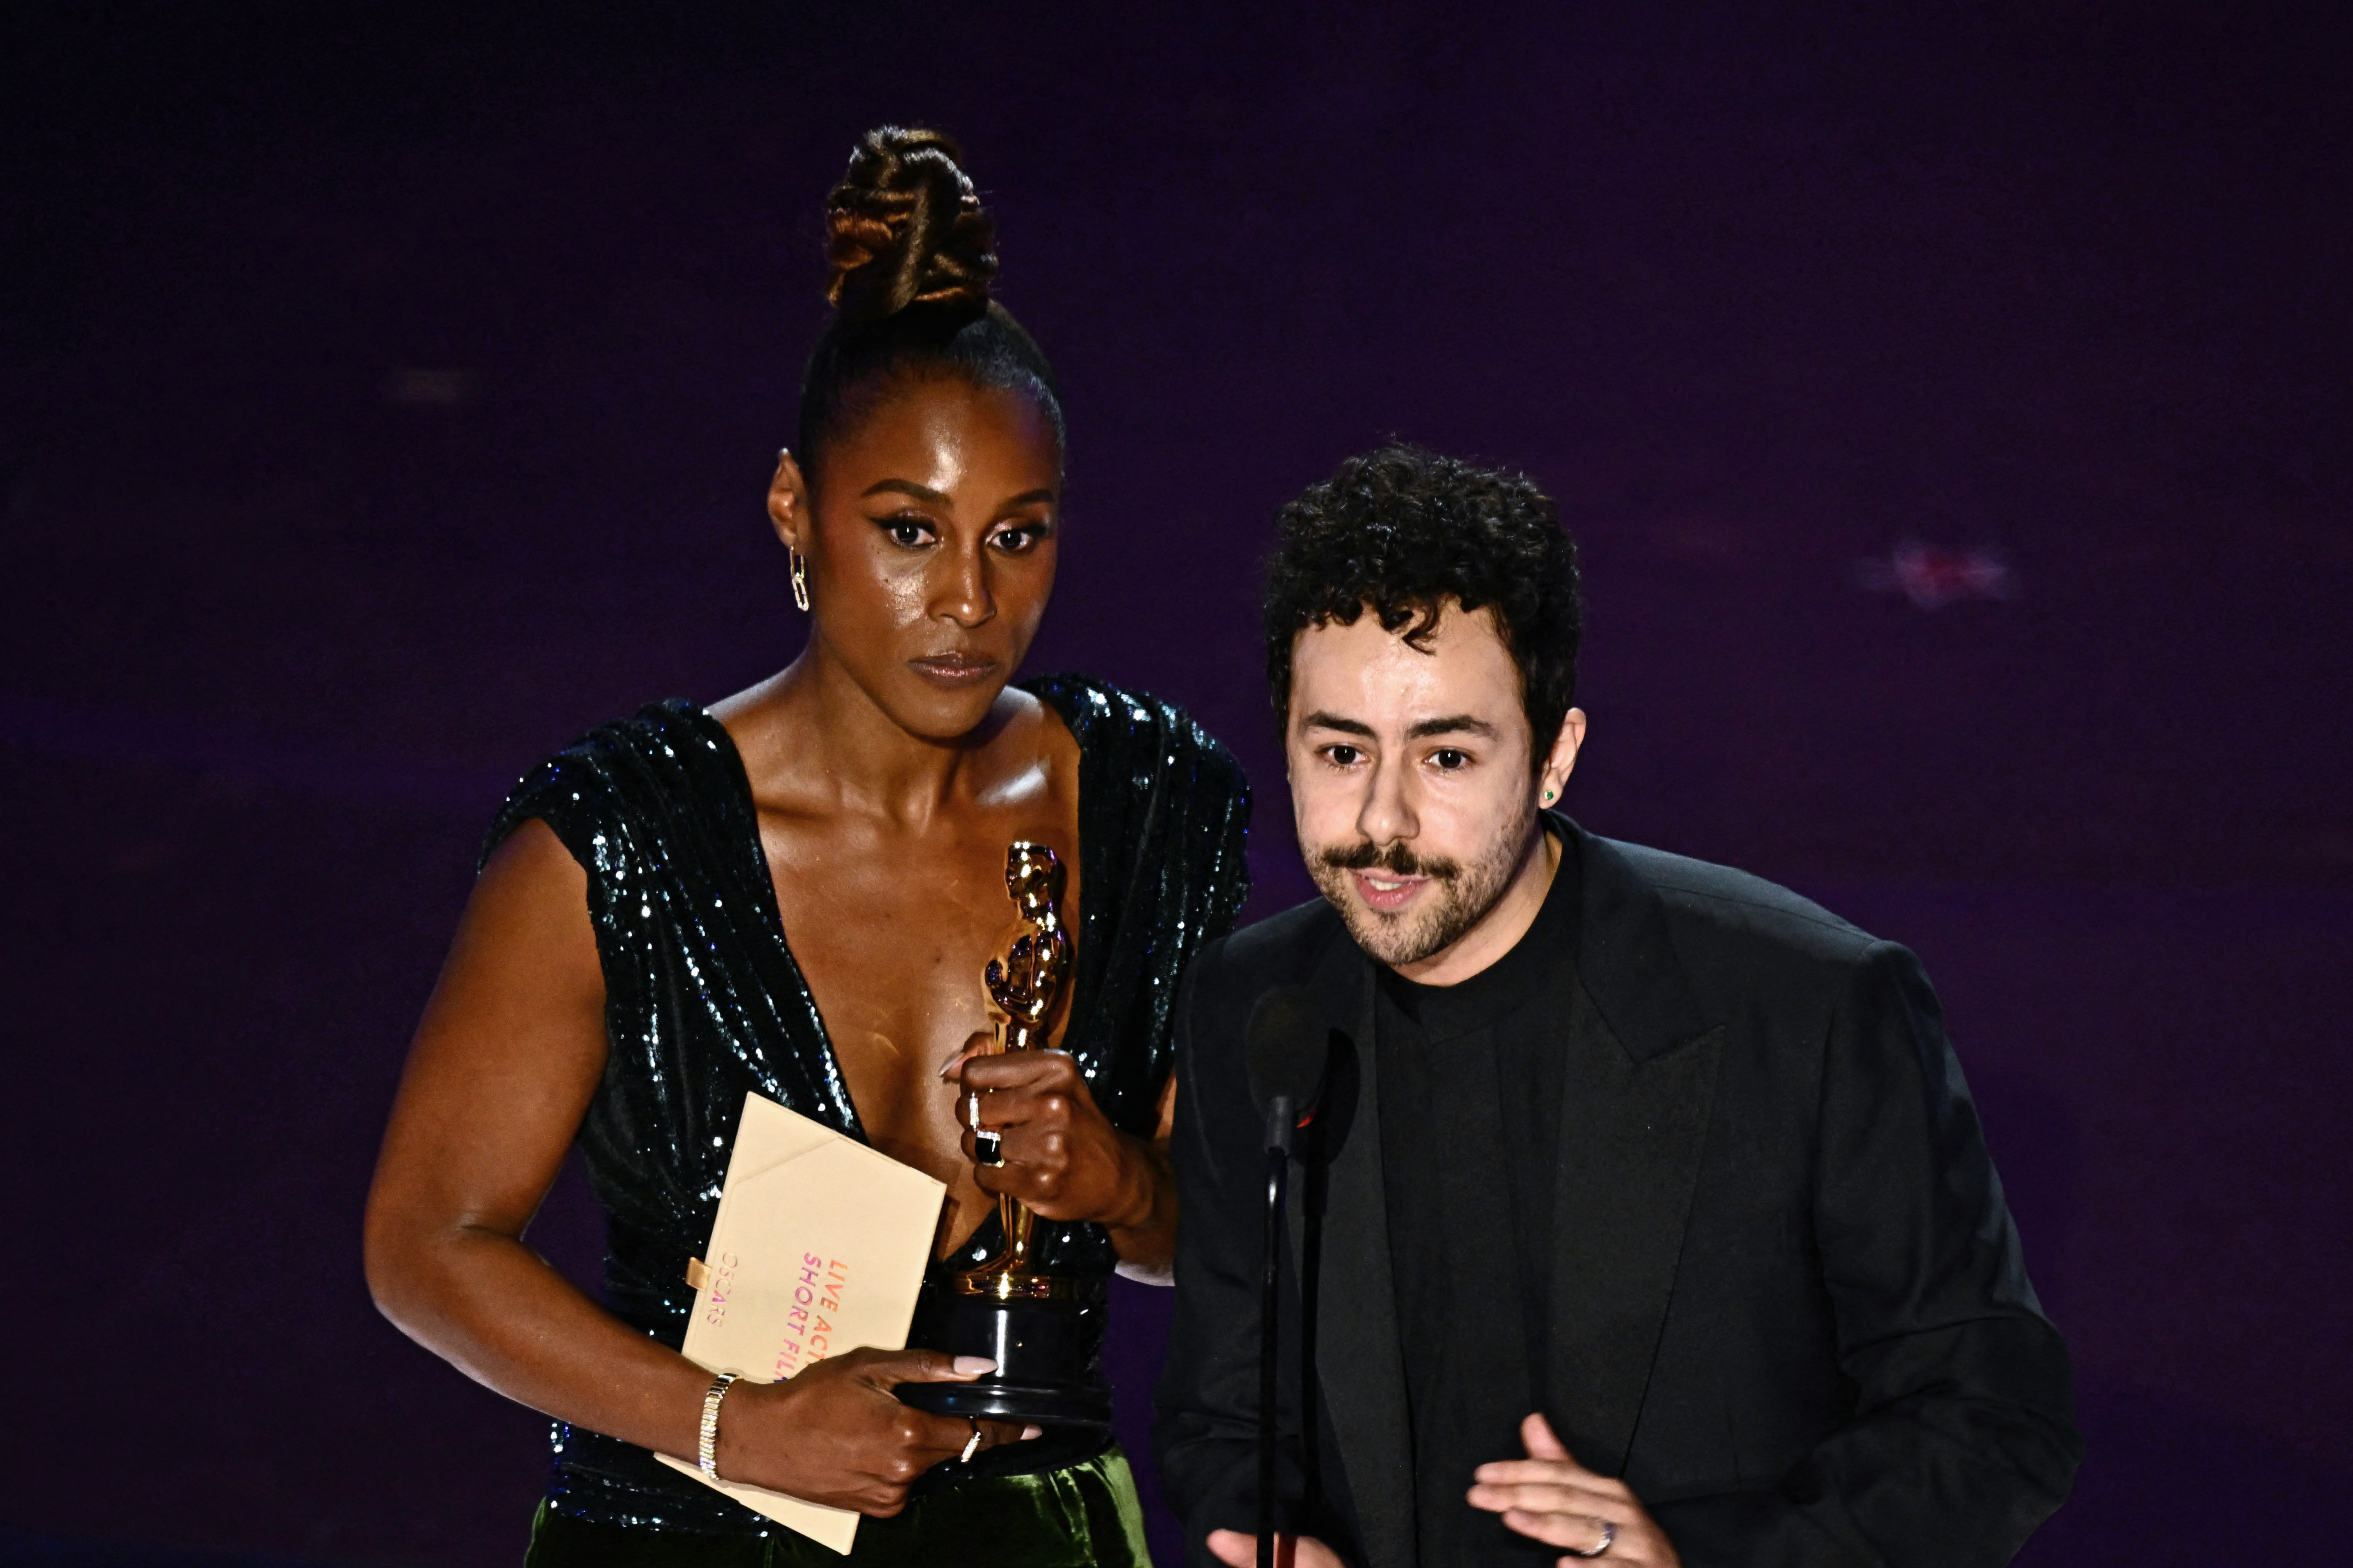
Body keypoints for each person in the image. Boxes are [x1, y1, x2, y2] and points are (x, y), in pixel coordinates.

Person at [364, 127, 1250, 1568]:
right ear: (797, 511)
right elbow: (424, 1244)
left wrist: (1126, 1189)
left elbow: (1228, 1249)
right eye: (909, 531)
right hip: (683, 1530)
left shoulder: (1152, 804)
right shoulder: (619, 841)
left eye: (1016, 539)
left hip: (1039, 1538)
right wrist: (735, 1423)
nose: (966, 599)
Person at [1154, 445, 2079, 1568]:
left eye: (1446, 755)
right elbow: (1222, 1413)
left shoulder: (1812, 1006)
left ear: (1555, 759)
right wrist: (1268, 1538)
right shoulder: (1250, 1010)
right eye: (1342, 751)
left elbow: (1992, 1422)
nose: (1382, 820)